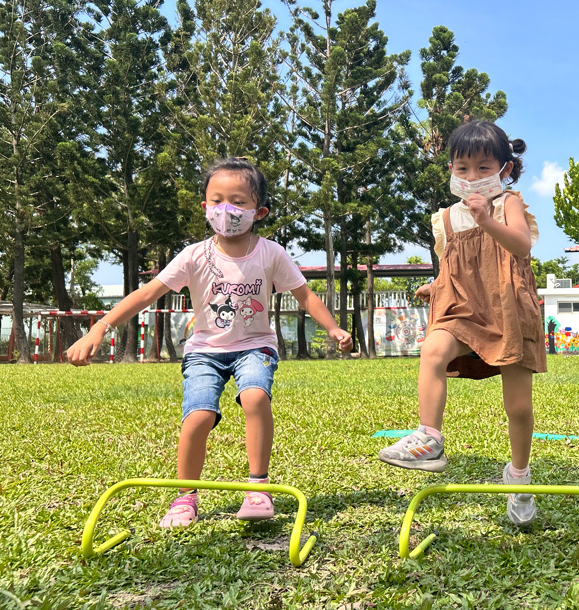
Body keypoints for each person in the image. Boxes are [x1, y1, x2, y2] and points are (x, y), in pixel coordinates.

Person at [66, 157, 352, 528]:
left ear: (259, 212)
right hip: (205, 351)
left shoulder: (271, 253)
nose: (226, 209)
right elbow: (147, 293)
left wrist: (333, 328)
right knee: (198, 416)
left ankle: (258, 488)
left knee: (255, 397)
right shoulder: (194, 256)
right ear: (205, 207)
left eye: (238, 201)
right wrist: (100, 327)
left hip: (255, 346)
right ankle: (185, 497)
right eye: (217, 201)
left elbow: (305, 295)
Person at [378, 121, 547, 526]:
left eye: (483, 168)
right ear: (451, 169)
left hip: (507, 307)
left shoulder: (508, 204)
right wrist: (434, 285)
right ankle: (430, 438)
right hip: (463, 307)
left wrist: (487, 220)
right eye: (462, 168)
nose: (472, 177)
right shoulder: (446, 219)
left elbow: (521, 246)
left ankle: (519, 476)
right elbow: (456, 266)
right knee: (433, 350)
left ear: (505, 169)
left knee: (519, 407)